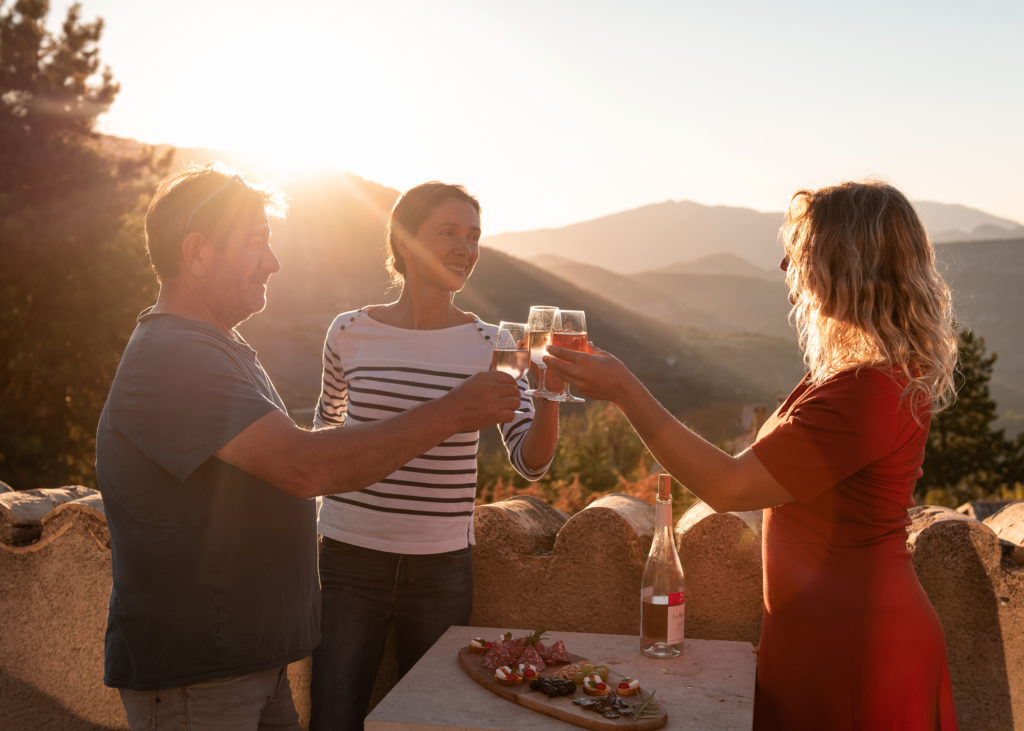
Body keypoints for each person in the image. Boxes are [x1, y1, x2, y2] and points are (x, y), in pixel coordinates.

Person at [95, 165, 522, 731]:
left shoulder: (220, 347)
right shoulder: (178, 355)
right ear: (197, 253)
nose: (272, 262)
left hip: (243, 666)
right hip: (199, 677)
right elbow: (304, 465)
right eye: (256, 244)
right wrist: (453, 411)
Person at [546, 180, 960, 730]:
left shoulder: (868, 392)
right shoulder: (849, 377)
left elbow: (730, 488)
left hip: (856, 646)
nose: (786, 265)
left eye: (802, 250)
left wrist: (625, 390)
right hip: (823, 634)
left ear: (846, 261)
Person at [308, 182, 560, 730]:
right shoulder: (348, 332)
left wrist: (550, 396)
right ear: (403, 242)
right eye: (448, 233)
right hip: (348, 559)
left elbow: (530, 461)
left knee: (427, 723)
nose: (465, 249)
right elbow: (324, 433)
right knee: (332, 718)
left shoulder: (492, 343)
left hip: (443, 568)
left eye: (473, 237)